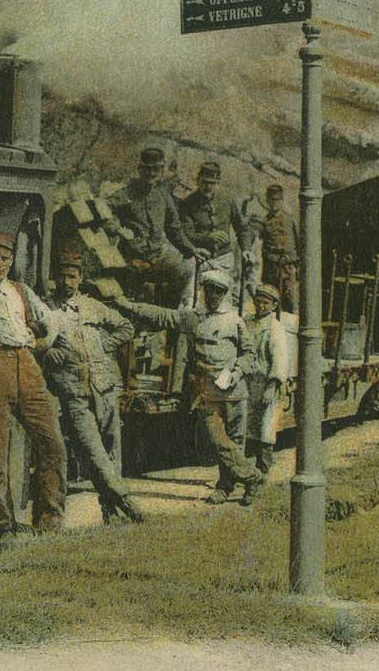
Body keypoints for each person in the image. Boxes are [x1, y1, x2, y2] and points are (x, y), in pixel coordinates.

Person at [117, 270, 265, 505]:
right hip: (207, 392)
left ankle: (226, 487)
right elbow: (163, 316)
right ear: (203, 291)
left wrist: (235, 373)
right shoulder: (193, 318)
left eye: (219, 291)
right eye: (209, 290)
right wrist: (129, 305)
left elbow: (249, 353)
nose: (213, 295)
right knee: (218, 443)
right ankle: (253, 477)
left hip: (235, 392)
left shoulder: (235, 321)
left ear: (225, 294)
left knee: (235, 443)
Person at [0, 232, 66, 536]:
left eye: (4, 258)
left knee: (52, 442)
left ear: (11, 260)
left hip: (28, 366)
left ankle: (49, 523)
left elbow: (54, 322)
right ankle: (3, 527)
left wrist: (43, 341)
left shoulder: (23, 291)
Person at [40, 249, 147, 525]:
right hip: (73, 392)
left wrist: (101, 345)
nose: (67, 282)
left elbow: (126, 328)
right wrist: (46, 353)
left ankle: (109, 512)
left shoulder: (92, 306)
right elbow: (33, 340)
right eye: (62, 276)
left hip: (104, 386)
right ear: (55, 278)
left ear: (80, 278)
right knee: (94, 452)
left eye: (72, 277)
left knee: (113, 450)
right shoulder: (46, 310)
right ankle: (128, 503)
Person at [107, 146, 195, 307]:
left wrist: (191, 250)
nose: (151, 174)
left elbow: (174, 228)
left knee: (184, 272)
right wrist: (118, 229)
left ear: (161, 171)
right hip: (130, 258)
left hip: (157, 257)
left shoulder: (163, 195)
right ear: (140, 169)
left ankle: (166, 316)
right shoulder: (127, 193)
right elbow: (104, 210)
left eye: (156, 169)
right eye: (147, 169)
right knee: (128, 298)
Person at [178, 161, 255, 307]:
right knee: (190, 299)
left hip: (223, 258)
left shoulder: (227, 200)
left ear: (218, 182)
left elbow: (242, 227)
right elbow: (185, 234)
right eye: (204, 182)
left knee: (224, 300)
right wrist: (208, 237)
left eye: (212, 183)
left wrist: (246, 249)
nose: (208, 186)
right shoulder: (187, 203)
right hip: (198, 258)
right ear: (198, 180)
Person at [245, 283, 298, 475]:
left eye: (265, 303)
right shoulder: (248, 322)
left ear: (274, 305)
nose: (261, 306)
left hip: (267, 385)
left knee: (265, 429)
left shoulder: (275, 329)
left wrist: (272, 385)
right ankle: (247, 474)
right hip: (248, 383)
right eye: (258, 302)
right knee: (248, 427)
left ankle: (263, 470)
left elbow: (280, 359)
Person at [259, 183, 301, 313]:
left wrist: (296, 263)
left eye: (277, 199)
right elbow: (260, 243)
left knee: (290, 300)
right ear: (267, 200)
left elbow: (299, 242)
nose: (274, 203)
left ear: (282, 200)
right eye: (271, 199)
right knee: (270, 299)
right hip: (271, 267)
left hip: (288, 267)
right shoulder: (264, 221)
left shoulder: (290, 219)